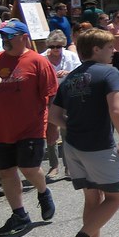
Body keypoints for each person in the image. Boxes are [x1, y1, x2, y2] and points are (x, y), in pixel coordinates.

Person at [49, 28, 119, 237]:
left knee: (92, 198)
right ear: (96, 49)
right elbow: (116, 110)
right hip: (99, 145)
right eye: (109, 47)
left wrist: (73, 125)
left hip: (73, 145)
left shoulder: (71, 77)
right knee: (116, 197)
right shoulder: (109, 72)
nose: (114, 51)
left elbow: (54, 116)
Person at [0, 20, 59, 236]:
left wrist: (53, 127)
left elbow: (52, 96)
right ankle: (19, 214)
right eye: (3, 35)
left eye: (9, 35)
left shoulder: (37, 62)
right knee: (6, 172)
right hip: (3, 128)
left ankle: (43, 192)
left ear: (23, 37)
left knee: (29, 169)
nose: (5, 39)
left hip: (31, 127)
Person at [42, 29, 81, 180]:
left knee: (66, 130)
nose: (55, 50)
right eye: (52, 46)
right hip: (48, 98)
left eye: (58, 46)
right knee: (50, 131)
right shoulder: (41, 58)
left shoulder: (71, 57)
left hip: (67, 97)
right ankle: (53, 166)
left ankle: (68, 166)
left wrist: (68, 73)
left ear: (63, 45)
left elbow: (80, 74)